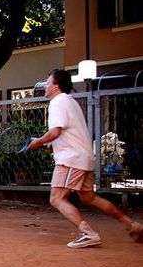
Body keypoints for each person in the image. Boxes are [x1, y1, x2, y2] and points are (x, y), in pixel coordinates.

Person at [27, 69, 142, 248]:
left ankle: (89, 233)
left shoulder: (57, 102)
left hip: (71, 159)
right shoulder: (72, 102)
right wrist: (47, 146)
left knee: (56, 198)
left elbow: (56, 131)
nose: (46, 86)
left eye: (48, 83)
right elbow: (67, 134)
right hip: (83, 157)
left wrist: (38, 141)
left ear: (56, 87)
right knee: (89, 198)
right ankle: (131, 224)